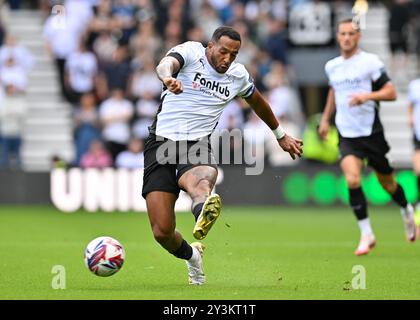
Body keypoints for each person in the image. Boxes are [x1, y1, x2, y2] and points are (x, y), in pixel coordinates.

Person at [143, 26, 303, 285]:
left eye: (234, 54)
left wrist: (280, 134)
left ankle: (202, 209)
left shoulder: (238, 76)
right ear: (210, 46)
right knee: (162, 231)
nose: (227, 59)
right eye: (223, 52)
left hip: (195, 143)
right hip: (160, 143)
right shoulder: (191, 52)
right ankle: (192, 255)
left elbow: (258, 102)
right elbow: (166, 64)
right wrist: (167, 78)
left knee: (200, 182)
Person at [318, 18, 418, 256]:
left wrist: (367, 96)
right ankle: (366, 233)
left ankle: (406, 209)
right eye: (342, 34)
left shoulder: (370, 62)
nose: (346, 38)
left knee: (388, 183)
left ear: (358, 37)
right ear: (337, 36)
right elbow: (334, 91)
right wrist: (325, 119)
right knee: (352, 180)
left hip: (370, 134)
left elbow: (391, 92)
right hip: (346, 134)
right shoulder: (332, 66)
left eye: (351, 34)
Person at [408, 77, 420, 225]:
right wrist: (409, 116)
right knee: (418, 171)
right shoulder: (414, 85)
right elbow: (410, 105)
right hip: (418, 134)